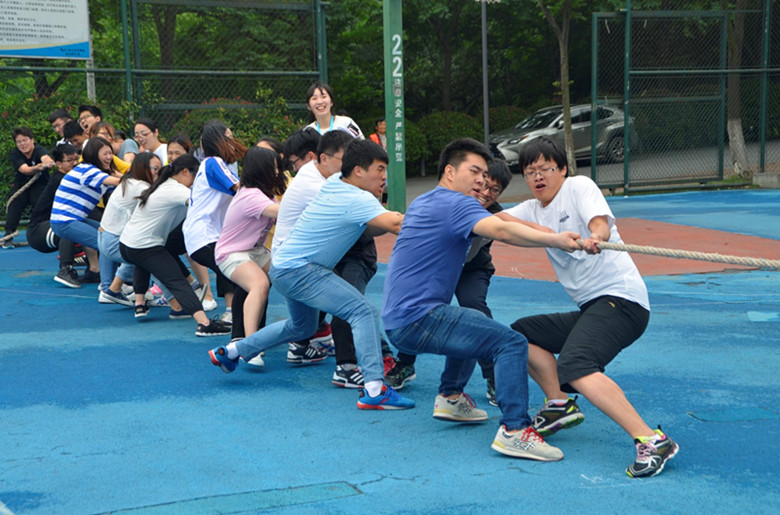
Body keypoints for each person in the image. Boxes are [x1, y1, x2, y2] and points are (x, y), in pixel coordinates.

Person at [382, 138, 581, 461]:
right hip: (417, 318)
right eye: (474, 171)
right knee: (510, 342)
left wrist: (556, 236)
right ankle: (515, 430)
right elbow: (503, 232)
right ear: (450, 171)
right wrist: (555, 239)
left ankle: (450, 397)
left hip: (401, 318)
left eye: (485, 174)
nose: (482, 180)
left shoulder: (425, 201)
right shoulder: (455, 204)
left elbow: (507, 222)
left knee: (474, 325)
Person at [503, 136, 679, 478]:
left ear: (563, 170)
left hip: (622, 301)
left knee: (576, 364)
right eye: (530, 172)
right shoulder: (529, 210)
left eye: (545, 169)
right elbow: (498, 224)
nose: (538, 177)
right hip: (592, 307)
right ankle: (558, 405)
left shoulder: (578, 187)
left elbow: (600, 221)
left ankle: (652, 440)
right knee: (520, 335)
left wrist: (596, 236)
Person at [209, 139, 415, 411]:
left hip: (284, 267)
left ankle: (232, 352)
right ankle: (375, 389)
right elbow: (397, 223)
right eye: (380, 169)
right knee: (362, 311)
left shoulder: (334, 183)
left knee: (302, 327)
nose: (384, 177)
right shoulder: (357, 197)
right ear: (358, 171)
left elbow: (377, 225)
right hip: (301, 269)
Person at [386, 160, 515, 406]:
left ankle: (492, 377)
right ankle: (405, 363)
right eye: (483, 184)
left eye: (494, 190)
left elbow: (515, 226)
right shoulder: (452, 203)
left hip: (472, 269)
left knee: (473, 309)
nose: (486, 192)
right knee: (423, 305)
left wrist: (556, 237)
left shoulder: (493, 214)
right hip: (441, 265)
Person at [118, 155, 229, 337]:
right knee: (176, 281)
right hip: (144, 246)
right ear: (185, 172)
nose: (195, 183)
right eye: (195, 177)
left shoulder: (162, 185)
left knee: (149, 260)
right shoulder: (175, 190)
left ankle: (140, 304)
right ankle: (204, 324)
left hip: (128, 244)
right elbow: (199, 204)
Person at [270, 130, 354, 365]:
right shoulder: (312, 184)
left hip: (296, 260)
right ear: (317, 157)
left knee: (302, 324)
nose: (292, 168)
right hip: (296, 265)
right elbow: (347, 212)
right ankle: (347, 363)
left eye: (292, 162)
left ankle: (242, 348)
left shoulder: (311, 172)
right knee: (354, 305)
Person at [215, 147, 285, 357]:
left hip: (254, 250)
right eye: (273, 167)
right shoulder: (250, 195)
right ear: (261, 168)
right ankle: (251, 346)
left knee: (289, 273)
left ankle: (312, 332)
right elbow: (282, 212)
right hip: (231, 253)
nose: (277, 171)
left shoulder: (265, 194)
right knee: (260, 284)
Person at [182, 120, 244, 326]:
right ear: (218, 140)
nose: (233, 140)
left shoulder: (213, 164)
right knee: (239, 271)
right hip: (204, 235)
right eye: (229, 136)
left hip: (201, 236)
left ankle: (232, 313)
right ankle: (236, 316)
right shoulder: (213, 162)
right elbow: (239, 188)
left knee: (230, 268)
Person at [50, 137, 124, 291]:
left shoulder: (98, 172)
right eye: (105, 154)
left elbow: (122, 188)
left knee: (111, 235)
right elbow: (120, 182)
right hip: (64, 221)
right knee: (105, 244)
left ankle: (118, 283)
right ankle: (108, 287)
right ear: (93, 155)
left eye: (111, 153)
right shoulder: (87, 170)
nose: (109, 157)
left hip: (74, 219)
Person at [97, 152, 161, 306]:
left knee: (139, 250)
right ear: (143, 168)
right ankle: (171, 296)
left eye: (160, 169)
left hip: (106, 238)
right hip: (112, 241)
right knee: (152, 256)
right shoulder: (141, 187)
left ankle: (115, 290)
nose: (159, 173)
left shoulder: (130, 181)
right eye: (156, 169)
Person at [25, 143, 81, 287]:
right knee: (67, 225)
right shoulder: (61, 179)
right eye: (70, 161)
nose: (75, 163)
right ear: (59, 164)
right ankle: (65, 269)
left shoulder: (71, 175)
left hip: (51, 226)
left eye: (77, 159)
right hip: (38, 232)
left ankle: (89, 263)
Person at [3, 127, 54, 249]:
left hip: (40, 185)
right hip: (22, 185)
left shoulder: (39, 150)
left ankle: (44, 235)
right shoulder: (15, 154)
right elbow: (24, 169)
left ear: (32, 140)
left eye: (25, 140)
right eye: (19, 141)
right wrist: (37, 168)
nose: (22, 144)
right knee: (15, 204)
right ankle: (8, 236)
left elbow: (46, 158)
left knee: (41, 205)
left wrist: (48, 162)